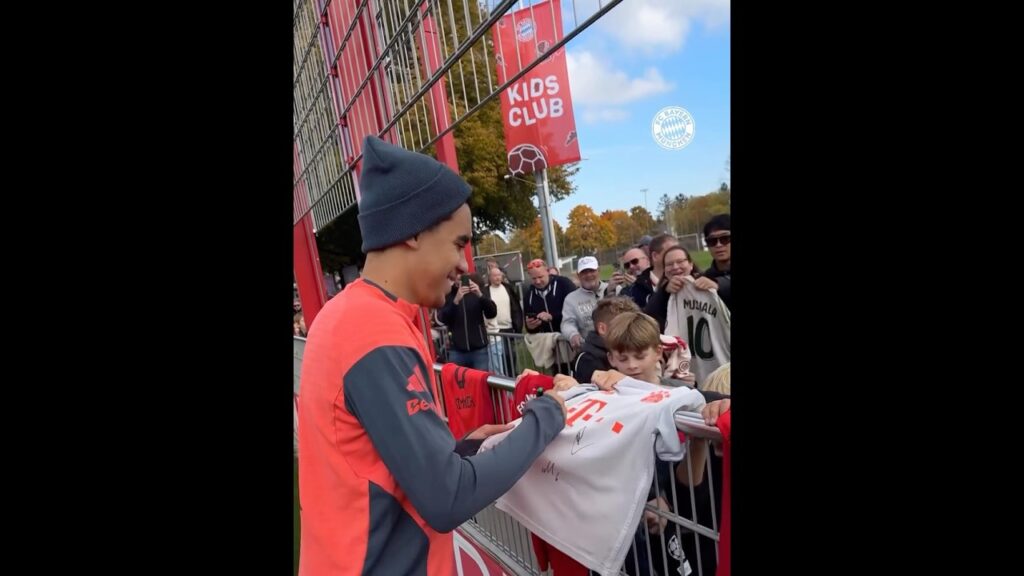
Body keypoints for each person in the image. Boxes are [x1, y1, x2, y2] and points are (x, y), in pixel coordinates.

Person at [297, 136, 578, 576]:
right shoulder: (370, 328)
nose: (466, 264)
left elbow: (377, 461)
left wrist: (465, 448)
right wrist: (547, 415)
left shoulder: (349, 315)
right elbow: (448, 498)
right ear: (412, 231)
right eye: (457, 242)